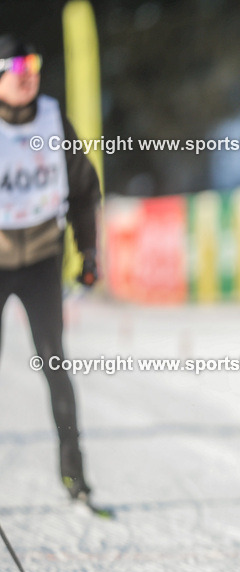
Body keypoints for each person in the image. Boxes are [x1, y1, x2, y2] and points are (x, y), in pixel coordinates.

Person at [0, 35, 102, 506]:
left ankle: (74, 476)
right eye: (18, 67)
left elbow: (84, 189)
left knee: (54, 362)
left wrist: (88, 252)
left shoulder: (51, 119)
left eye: (35, 65)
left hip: (42, 258)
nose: (30, 75)